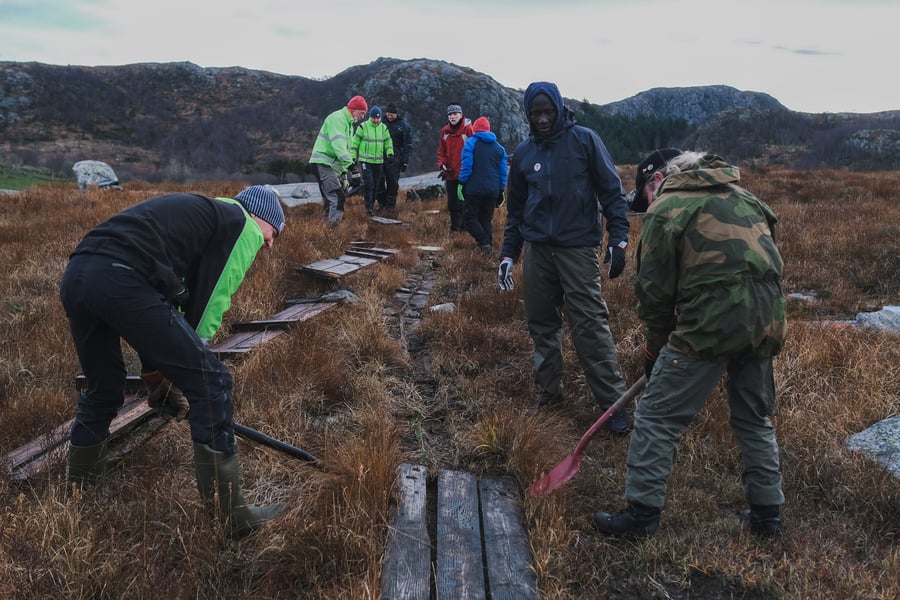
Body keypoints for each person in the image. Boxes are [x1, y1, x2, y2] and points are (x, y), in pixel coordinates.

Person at [59, 185, 287, 539]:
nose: (270, 244)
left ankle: (79, 499)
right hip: (121, 276)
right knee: (212, 383)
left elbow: (163, 308)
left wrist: (157, 378)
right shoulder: (241, 223)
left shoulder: (199, 219)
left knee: (104, 388)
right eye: (274, 233)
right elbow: (211, 300)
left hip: (79, 273)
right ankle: (232, 518)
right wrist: (190, 370)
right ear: (261, 217)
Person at [592, 150, 787, 538]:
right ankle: (768, 516)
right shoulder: (749, 199)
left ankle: (641, 516)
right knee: (754, 417)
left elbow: (654, 293)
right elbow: (765, 263)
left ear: (657, 180)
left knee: (657, 416)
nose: (648, 204)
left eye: (646, 196)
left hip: (710, 326)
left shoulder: (668, 208)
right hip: (765, 322)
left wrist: (656, 350)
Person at [497, 81, 631, 433]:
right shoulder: (524, 152)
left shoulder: (585, 141)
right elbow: (516, 211)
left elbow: (612, 193)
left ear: (558, 109)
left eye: (548, 112)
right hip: (538, 251)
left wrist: (619, 240)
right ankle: (549, 396)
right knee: (542, 324)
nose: (542, 119)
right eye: (535, 113)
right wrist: (509, 253)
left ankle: (613, 405)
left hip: (578, 249)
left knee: (590, 326)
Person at [310, 95, 368, 225]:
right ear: (354, 109)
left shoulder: (348, 124)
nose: (363, 116)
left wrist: (344, 175)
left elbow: (345, 151)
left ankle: (325, 231)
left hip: (329, 166)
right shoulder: (338, 119)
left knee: (329, 200)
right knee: (337, 197)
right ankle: (333, 231)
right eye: (362, 113)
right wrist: (352, 168)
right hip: (323, 163)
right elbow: (339, 147)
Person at [458, 116, 508, 253]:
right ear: (488, 129)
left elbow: (467, 166)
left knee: (469, 218)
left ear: (475, 129)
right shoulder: (499, 148)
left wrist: (461, 183)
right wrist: (501, 189)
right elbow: (503, 172)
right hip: (492, 190)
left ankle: (484, 242)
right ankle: (487, 247)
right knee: (485, 219)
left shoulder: (471, 143)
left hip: (473, 189)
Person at [437, 103, 474, 233]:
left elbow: (475, 150)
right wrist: (442, 165)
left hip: (465, 175)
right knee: (452, 203)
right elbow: (441, 152)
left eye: (455, 114)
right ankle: (454, 229)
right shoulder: (445, 131)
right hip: (450, 174)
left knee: (464, 202)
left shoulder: (468, 130)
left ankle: (465, 229)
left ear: (461, 115)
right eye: (450, 115)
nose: (452, 117)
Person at [352, 105, 395, 216]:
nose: (376, 120)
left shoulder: (384, 128)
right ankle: (368, 208)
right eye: (374, 118)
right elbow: (354, 143)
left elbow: (388, 142)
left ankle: (371, 205)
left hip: (378, 162)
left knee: (376, 185)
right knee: (369, 184)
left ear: (380, 117)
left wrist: (390, 154)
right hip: (366, 161)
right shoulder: (363, 127)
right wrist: (353, 157)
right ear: (370, 117)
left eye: (378, 118)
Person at [376, 102, 413, 213]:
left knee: (392, 182)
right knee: (379, 180)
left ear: (396, 114)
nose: (390, 116)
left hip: (395, 157)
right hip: (379, 155)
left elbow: (408, 144)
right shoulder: (380, 122)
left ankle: (390, 207)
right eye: (388, 114)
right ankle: (382, 204)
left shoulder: (403, 126)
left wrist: (405, 161)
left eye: (392, 114)